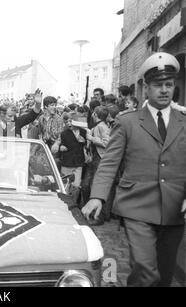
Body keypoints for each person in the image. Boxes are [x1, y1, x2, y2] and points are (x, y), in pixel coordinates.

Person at [82, 52, 186, 287]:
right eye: (158, 85)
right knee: (145, 268)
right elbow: (109, 162)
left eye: (168, 84)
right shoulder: (127, 122)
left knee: (164, 275)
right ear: (145, 89)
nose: (164, 90)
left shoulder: (183, 121)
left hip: (174, 208)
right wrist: (97, 196)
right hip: (137, 206)